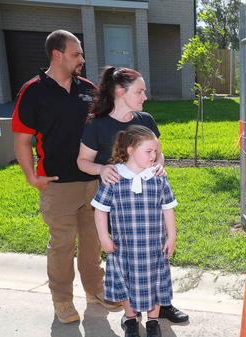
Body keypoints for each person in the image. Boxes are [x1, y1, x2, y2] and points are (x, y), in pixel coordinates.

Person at [12, 29, 121, 324]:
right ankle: (61, 300)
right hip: (58, 185)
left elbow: (107, 125)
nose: (82, 59)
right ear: (57, 55)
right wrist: (32, 177)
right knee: (61, 244)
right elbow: (22, 139)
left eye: (82, 54)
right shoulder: (32, 91)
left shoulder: (87, 88)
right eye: (76, 54)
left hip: (93, 181)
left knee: (92, 242)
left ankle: (95, 291)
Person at [77, 66, 189, 324]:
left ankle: (163, 304)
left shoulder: (146, 120)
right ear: (119, 91)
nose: (144, 96)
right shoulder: (97, 125)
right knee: (126, 258)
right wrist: (102, 168)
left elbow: (158, 152)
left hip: (150, 201)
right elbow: (82, 161)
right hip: (121, 207)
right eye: (139, 91)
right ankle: (131, 311)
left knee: (157, 251)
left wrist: (160, 163)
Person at [91, 125, 178, 337]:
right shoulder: (114, 177)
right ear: (130, 150)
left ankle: (152, 321)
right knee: (126, 283)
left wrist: (172, 236)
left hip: (153, 247)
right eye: (148, 151)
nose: (154, 156)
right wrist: (103, 237)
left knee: (155, 283)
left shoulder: (158, 177)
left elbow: (168, 208)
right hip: (124, 247)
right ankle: (130, 319)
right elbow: (101, 209)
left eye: (155, 152)